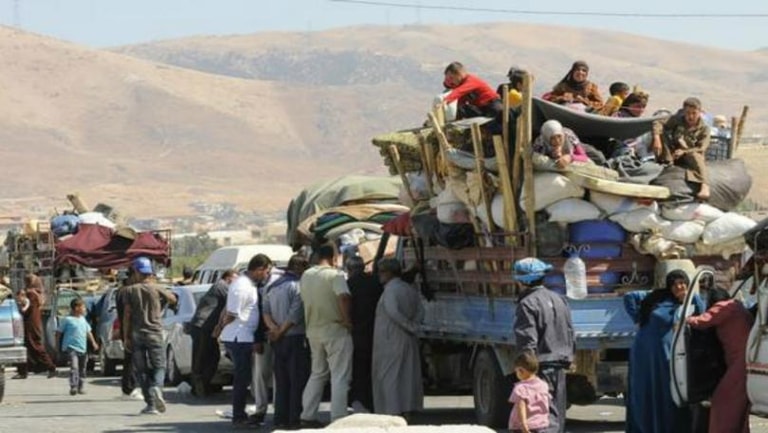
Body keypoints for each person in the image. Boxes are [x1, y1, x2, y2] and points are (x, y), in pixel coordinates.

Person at [624, 269, 704, 433]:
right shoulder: (658, 297)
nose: (679, 287)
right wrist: (637, 318)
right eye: (674, 284)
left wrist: (689, 298)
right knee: (644, 390)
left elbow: (702, 313)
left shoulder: (690, 301)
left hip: (668, 352)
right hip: (645, 352)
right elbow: (629, 297)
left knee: (669, 390)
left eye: (682, 283)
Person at [512, 258, 575, 433]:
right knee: (556, 417)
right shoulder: (559, 299)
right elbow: (570, 332)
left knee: (541, 419)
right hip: (560, 365)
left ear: (521, 281)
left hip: (540, 367)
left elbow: (527, 342)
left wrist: (525, 373)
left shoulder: (527, 304)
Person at [299, 244, 353, 426]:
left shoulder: (306, 275)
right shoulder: (335, 275)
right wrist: (347, 320)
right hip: (335, 330)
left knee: (317, 373)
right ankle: (338, 417)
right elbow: (343, 297)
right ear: (333, 257)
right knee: (340, 375)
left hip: (313, 331)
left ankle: (307, 415)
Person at [686, 287, 753, 433]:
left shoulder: (724, 307)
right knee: (740, 403)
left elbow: (703, 321)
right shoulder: (738, 307)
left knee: (722, 399)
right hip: (746, 359)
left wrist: (686, 319)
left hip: (739, 362)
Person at [120, 257, 178, 415]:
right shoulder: (156, 288)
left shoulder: (129, 290)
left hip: (137, 334)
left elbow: (127, 315)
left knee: (142, 370)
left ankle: (150, 404)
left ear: (136, 271)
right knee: (159, 366)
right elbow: (173, 299)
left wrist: (126, 336)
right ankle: (157, 388)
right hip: (155, 333)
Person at [263, 254, 311, 430]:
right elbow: (294, 315)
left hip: (277, 340)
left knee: (281, 381)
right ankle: (294, 418)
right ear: (300, 268)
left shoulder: (271, 286)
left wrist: (274, 330)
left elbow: (266, 312)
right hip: (295, 338)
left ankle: (280, 418)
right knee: (297, 380)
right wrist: (281, 331)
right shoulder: (297, 286)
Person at [371, 257, 424, 418]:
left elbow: (393, 312)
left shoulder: (390, 291)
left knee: (389, 376)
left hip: (390, 339)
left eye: (382, 271)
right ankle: (406, 409)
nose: (379, 275)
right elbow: (421, 311)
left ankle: (392, 412)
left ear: (389, 273)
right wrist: (414, 326)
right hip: (408, 338)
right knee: (407, 375)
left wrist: (408, 325)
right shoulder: (409, 289)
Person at [218, 255, 263, 427]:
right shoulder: (242, 286)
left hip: (242, 336)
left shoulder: (246, 284)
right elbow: (231, 313)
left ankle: (240, 414)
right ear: (258, 269)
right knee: (241, 380)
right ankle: (238, 416)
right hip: (239, 337)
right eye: (265, 271)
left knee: (243, 378)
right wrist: (221, 326)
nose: (265, 275)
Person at [189, 269, 237, 397]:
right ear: (228, 278)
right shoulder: (221, 286)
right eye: (235, 279)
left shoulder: (219, 286)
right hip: (203, 325)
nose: (237, 282)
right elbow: (233, 300)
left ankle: (203, 384)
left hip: (204, 326)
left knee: (210, 356)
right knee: (203, 357)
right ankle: (199, 386)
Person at [653, 97, 711, 199]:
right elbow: (658, 122)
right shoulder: (678, 120)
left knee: (695, 155)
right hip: (673, 153)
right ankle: (666, 162)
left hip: (690, 155)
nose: (690, 116)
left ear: (700, 112)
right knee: (662, 133)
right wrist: (656, 137)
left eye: (694, 113)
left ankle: (705, 185)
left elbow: (701, 148)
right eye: (688, 113)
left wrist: (684, 151)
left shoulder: (704, 129)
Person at [347, 256, 384, 413]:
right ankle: (373, 401)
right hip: (375, 331)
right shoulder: (375, 282)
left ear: (349, 270)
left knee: (358, 370)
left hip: (356, 333)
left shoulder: (348, 285)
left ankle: (360, 400)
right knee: (373, 369)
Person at [251, 254, 283, 424]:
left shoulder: (279, 282)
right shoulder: (259, 285)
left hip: (281, 333)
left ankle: (278, 409)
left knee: (278, 374)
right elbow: (257, 314)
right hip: (265, 336)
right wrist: (257, 339)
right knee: (261, 374)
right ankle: (260, 409)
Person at [13, 274, 57, 379]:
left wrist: (21, 306)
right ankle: (24, 371)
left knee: (35, 346)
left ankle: (50, 366)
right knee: (27, 347)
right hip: (33, 323)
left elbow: (28, 309)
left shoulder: (30, 294)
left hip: (30, 324)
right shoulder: (37, 293)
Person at [56, 298, 99, 395]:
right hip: (71, 347)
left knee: (82, 368)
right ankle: (73, 386)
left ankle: (81, 386)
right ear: (76, 308)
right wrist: (57, 345)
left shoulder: (83, 320)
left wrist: (93, 343)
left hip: (82, 348)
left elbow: (88, 332)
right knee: (74, 367)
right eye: (83, 307)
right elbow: (58, 333)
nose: (85, 309)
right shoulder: (67, 320)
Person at [508, 351, 550, 433]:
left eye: (516, 371)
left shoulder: (520, 388)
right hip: (541, 426)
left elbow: (521, 407)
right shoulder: (544, 385)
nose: (516, 374)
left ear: (521, 371)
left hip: (523, 428)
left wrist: (524, 425)